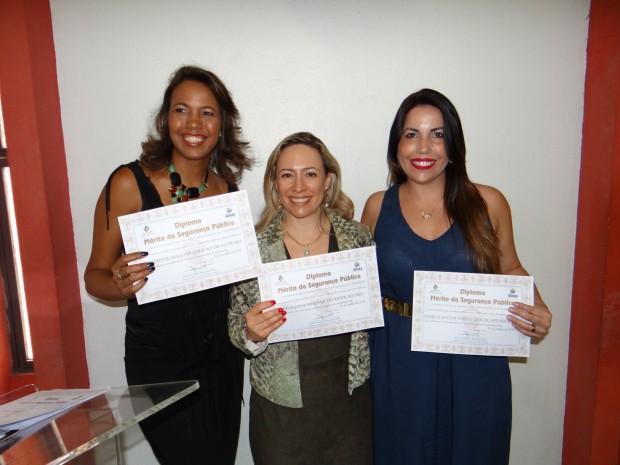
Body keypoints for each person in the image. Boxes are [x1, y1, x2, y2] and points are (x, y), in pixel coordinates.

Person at [361, 88, 553, 465]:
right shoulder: (377, 207)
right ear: (397, 146)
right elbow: (358, 284)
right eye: (411, 134)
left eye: (438, 135)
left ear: (454, 146)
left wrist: (537, 306)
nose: (423, 148)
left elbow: (510, 267)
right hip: (398, 362)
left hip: (474, 364)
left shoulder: (489, 202)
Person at [84, 65, 253, 465]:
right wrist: (119, 284)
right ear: (165, 118)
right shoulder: (128, 183)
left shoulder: (228, 193)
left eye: (207, 113)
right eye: (182, 110)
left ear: (222, 124)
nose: (193, 123)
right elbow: (94, 276)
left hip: (221, 360)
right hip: (159, 362)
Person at [228, 132, 373, 465]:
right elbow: (235, 323)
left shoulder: (358, 238)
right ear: (274, 183)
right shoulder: (253, 248)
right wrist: (250, 332)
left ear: (327, 181)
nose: (298, 187)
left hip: (349, 402)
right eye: (286, 175)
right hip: (281, 412)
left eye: (310, 174)